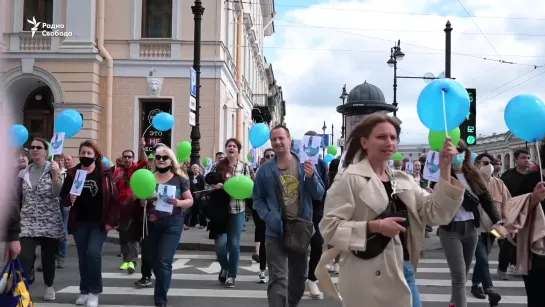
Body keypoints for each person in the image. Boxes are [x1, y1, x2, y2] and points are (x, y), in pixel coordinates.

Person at [316, 113, 466, 307]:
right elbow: (329, 227)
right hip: (366, 273)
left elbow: (434, 212)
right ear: (364, 142)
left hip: (402, 268)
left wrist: (445, 169)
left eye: (393, 137)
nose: (389, 142)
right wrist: (375, 226)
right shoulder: (349, 178)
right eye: (381, 137)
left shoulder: (403, 179)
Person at [253, 125, 325, 307]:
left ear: (289, 140)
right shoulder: (265, 170)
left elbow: (319, 194)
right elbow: (258, 199)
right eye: (274, 139)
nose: (277, 142)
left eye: (281, 138)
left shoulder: (304, 164)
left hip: (300, 229)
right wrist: (268, 216)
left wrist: (311, 178)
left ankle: (291, 304)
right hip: (275, 230)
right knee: (278, 278)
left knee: (299, 277)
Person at [439, 144, 506, 307]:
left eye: (459, 151)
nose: (456, 154)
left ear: (465, 153)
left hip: (471, 229)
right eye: (452, 151)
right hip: (450, 230)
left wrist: (498, 221)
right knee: (459, 276)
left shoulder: (473, 174)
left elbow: (487, 199)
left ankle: (454, 302)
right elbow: (438, 202)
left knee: (464, 273)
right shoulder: (443, 175)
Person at [60, 140, 120, 307]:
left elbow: (114, 199)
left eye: (89, 153)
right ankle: (84, 291)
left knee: (93, 254)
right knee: (83, 258)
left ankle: (94, 292)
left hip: (98, 223)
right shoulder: (74, 173)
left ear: (95, 155)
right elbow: (63, 197)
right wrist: (69, 198)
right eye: (83, 153)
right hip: (80, 222)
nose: (85, 156)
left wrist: (110, 221)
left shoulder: (105, 174)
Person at [142, 145, 193, 307]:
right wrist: (141, 201)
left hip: (172, 223)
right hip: (151, 224)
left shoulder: (180, 178)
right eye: (158, 157)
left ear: (171, 160)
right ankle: (161, 284)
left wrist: (178, 202)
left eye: (165, 157)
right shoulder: (148, 177)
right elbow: (140, 196)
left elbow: (190, 200)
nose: (161, 160)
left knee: (164, 261)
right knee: (154, 260)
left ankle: (160, 300)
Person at [15, 138, 64, 301]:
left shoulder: (53, 169)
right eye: (32, 147)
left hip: (49, 221)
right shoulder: (24, 172)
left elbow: (58, 194)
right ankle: (23, 287)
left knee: (48, 258)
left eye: (39, 147)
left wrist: (56, 175)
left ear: (46, 151)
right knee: (24, 256)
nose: (34, 150)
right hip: (28, 221)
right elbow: (20, 198)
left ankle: (49, 286)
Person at [501, 138, 545, 307]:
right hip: (537, 251)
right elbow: (514, 213)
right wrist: (533, 199)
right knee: (537, 298)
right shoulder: (532, 179)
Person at [114, 138, 148, 274]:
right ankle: (126, 259)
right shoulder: (117, 172)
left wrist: (142, 148)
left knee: (133, 235)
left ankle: (132, 261)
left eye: (129, 157)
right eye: (125, 157)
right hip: (122, 208)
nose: (127, 159)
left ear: (133, 159)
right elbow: (111, 189)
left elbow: (145, 161)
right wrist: (115, 180)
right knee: (124, 236)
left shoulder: (136, 168)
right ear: (122, 159)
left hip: (134, 207)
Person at [302, 131, 329, 299]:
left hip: (317, 211)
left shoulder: (320, 164)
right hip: (300, 211)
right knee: (299, 247)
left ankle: (312, 278)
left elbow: (324, 189)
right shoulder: (296, 162)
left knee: (317, 246)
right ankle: (299, 278)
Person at [498, 149, 530, 280]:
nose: (526, 160)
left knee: (527, 242)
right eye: (523, 157)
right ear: (516, 160)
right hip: (511, 212)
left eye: (528, 157)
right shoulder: (508, 176)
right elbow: (502, 194)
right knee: (509, 242)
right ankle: (502, 268)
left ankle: (522, 266)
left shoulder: (533, 175)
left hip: (529, 212)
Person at [251, 148, 274, 283]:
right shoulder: (260, 171)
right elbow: (256, 193)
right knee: (264, 239)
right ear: (263, 158)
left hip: (277, 210)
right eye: (267, 156)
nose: (270, 158)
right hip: (262, 210)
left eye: (272, 155)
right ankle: (262, 270)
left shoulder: (281, 168)